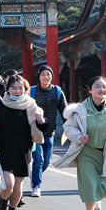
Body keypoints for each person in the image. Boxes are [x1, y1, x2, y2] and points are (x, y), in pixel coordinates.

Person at [53, 76, 106, 210]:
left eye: (104, 86)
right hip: (87, 152)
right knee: (90, 186)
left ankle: (98, 199)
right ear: (90, 90)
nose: (101, 89)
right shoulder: (79, 110)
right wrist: (79, 137)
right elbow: (69, 127)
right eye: (97, 86)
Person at [0, 75, 47, 210]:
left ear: (25, 89)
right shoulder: (2, 104)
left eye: (20, 88)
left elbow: (43, 127)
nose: (17, 91)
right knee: (9, 183)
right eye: (14, 88)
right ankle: (3, 200)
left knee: (19, 183)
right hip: (5, 147)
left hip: (23, 148)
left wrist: (40, 120)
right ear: (8, 89)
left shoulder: (32, 105)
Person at [30, 64, 67, 197]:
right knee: (38, 159)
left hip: (50, 131)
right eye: (43, 74)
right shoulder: (32, 91)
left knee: (46, 162)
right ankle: (36, 185)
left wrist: (69, 128)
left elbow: (64, 111)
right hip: (35, 131)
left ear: (52, 76)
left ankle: (35, 174)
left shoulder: (57, 91)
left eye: (48, 74)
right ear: (39, 77)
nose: (46, 77)